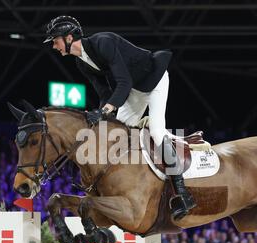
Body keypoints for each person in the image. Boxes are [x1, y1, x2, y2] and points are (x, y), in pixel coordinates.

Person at [43, 15, 196, 220]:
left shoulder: (103, 42)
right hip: (133, 90)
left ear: (69, 38)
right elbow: (105, 93)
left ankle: (182, 193)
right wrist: (99, 116)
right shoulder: (82, 64)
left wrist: (105, 111)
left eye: (55, 41)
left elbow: (123, 82)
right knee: (114, 135)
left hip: (154, 80)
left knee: (158, 131)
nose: (54, 46)